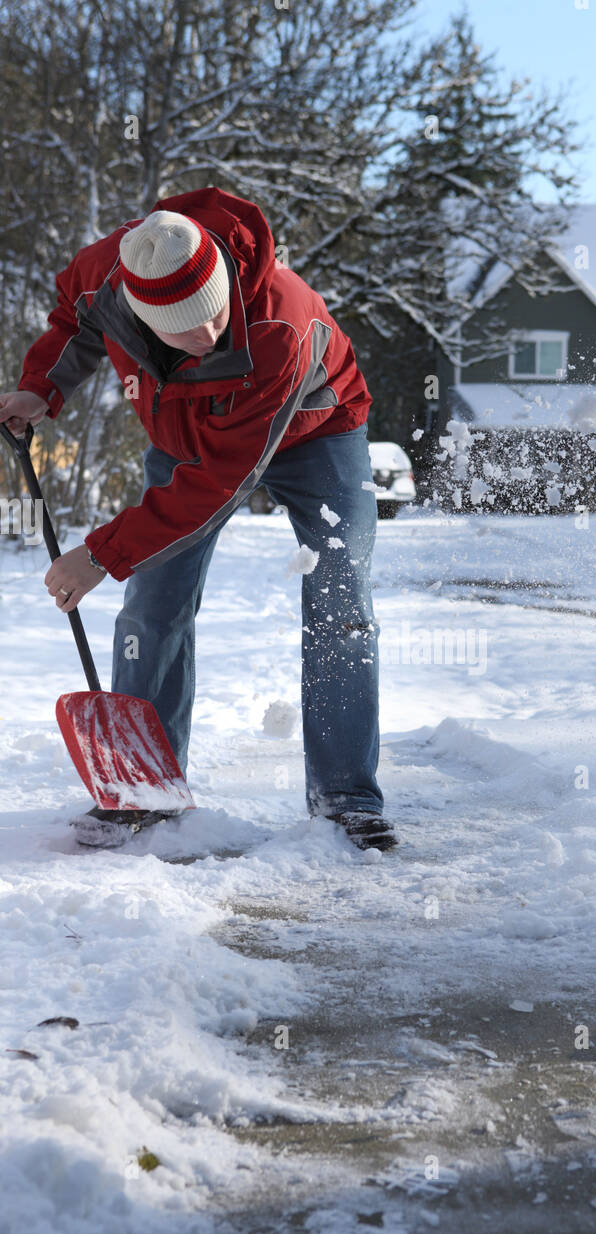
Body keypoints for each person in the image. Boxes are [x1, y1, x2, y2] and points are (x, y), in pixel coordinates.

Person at [0, 186, 397, 851]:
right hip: (185, 442)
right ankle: (143, 792)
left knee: (341, 600)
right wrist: (43, 386)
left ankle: (346, 800)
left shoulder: (277, 324)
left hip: (317, 432)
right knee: (153, 605)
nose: (209, 333)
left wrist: (98, 553)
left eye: (215, 314)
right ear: (140, 311)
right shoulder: (108, 275)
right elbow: (74, 319)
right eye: (185, 327)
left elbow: (216, 483)